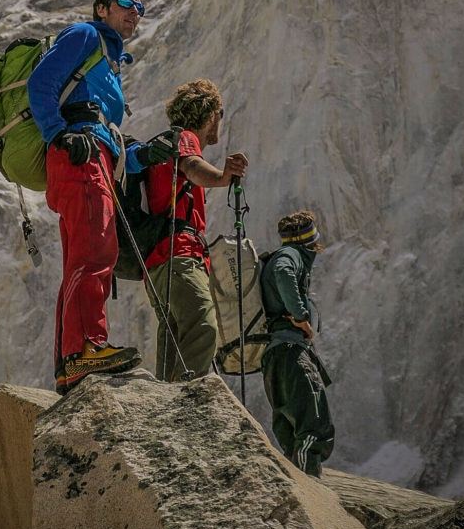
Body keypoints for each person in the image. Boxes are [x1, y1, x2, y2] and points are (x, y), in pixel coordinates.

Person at [27, 0, 174, 395]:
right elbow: (40, 83)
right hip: (80, 156)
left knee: (84, 255)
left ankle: (70, 362)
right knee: (95, 251)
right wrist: (59, 133)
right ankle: (86, 349)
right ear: (102, 8)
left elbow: (108, 134)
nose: (135, 12)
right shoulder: (86, 35)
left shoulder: (109, 61)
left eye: (140, 7)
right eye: (126, 3)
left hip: (92, 158)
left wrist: (145, 154)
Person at [143, 78, 248, 382]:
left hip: (158, 263)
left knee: (174, 337)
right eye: (220, 113)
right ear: (211, 113)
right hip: (180, 255)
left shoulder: (162, 146)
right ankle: (188, 400)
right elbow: (191, 166)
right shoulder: (184, 138)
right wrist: (223, 177)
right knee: (203, 327)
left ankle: (167, 398)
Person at [260, 212, 334, 478]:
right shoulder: (290, 255)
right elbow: (283, 272)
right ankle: (310, 487)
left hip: (276, 357)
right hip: (290, 353)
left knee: (291, 431)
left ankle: (299, 485)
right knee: (314, 425)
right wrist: (301, 317)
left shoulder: (282, 254)